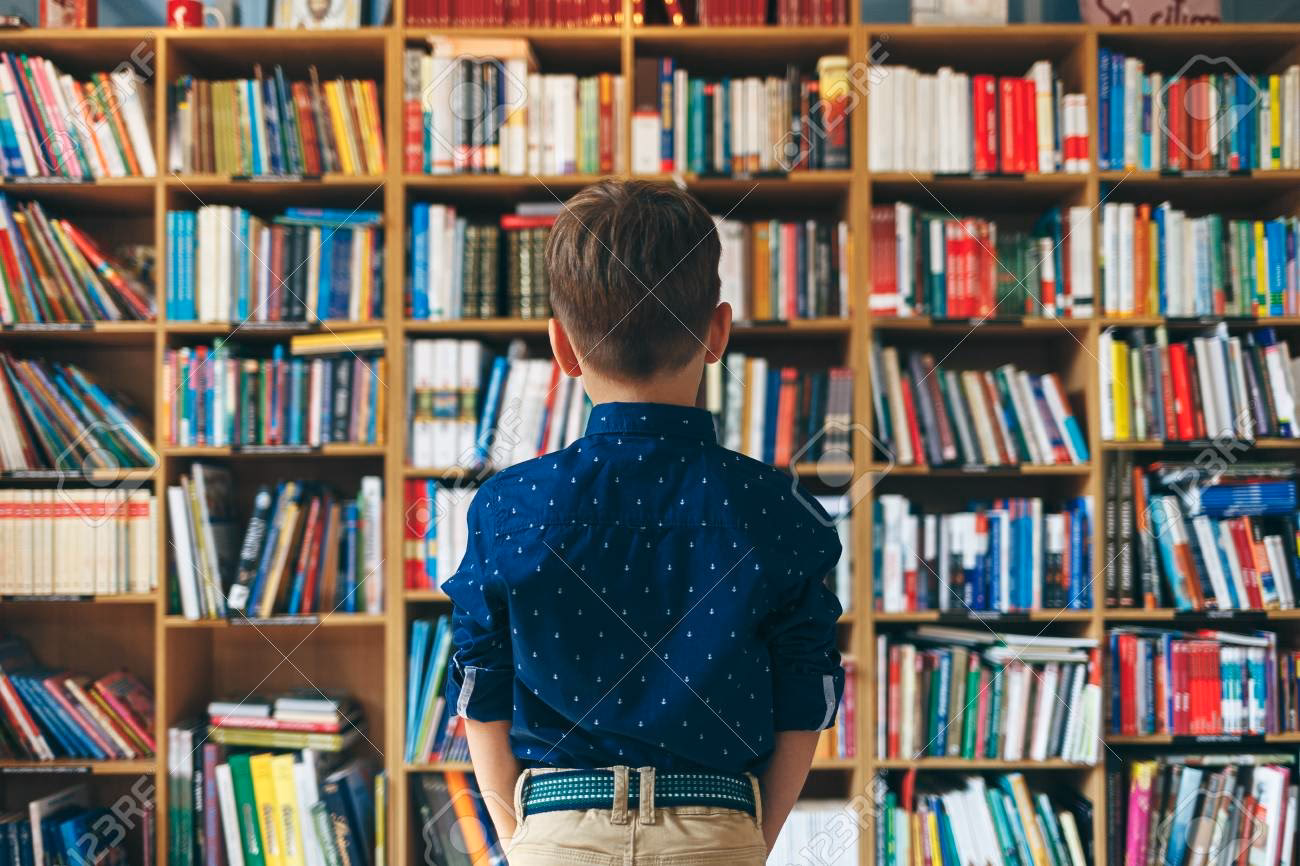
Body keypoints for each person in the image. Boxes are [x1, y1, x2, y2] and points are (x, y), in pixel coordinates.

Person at [442, 178, 845, 865]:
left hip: (559, 831)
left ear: (562, 347)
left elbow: (481, 690)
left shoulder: (509, 507)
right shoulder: (778, 509)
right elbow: (807, 695)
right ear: (718, 332)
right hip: (717, 829)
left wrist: (521, 841)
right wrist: (752, 840)